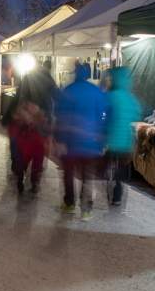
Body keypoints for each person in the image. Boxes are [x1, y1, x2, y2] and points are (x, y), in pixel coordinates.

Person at [54, 63, 107, 219]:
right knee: (87, 176)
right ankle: (86, 210)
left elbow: (60, 117)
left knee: (68, 174)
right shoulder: (96, 92)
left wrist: (59, 139)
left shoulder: (68, 91)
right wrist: (100, 138)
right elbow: (103, 116)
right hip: (91, 143)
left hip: (70, 142)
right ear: (88, 74)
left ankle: (70, 204)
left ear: (75, 73)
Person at [5, 63, 57, 195]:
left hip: (24, 123)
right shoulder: (48, 80)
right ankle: (34, 181)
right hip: (41, 122)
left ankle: (20, 173)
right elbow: (57, 97)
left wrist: (8, 118)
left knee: (23, 151)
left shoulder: (27, 79)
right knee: (38, 153)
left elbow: (17, 98)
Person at [104, 67, 142, 206]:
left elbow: (103, 115)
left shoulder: (110, 96)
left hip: (111, 141)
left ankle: (109, 183)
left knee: (108, 165)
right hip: (126, 142)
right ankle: (117, 195)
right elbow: (137, 114)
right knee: (121, 169)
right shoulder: (130, 98)